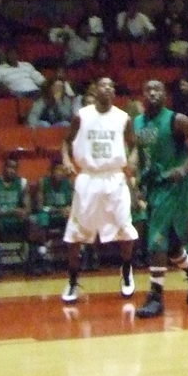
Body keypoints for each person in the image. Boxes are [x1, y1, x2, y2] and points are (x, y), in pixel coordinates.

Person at [59, 76, 139, 304]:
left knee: (124, 227)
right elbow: (66, 142)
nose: (107, 88)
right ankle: (73, 280)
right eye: (102, 85)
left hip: (114, 177)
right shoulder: (82, 116)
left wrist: (132, 160)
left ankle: (126, 271)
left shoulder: (123, 118)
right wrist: (66, 160)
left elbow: (134, 146)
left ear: (114, 92)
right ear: (95, 90)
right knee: (75, 233)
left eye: (111, 85)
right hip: (88, 177)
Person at [132, 79, 188, 319]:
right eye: (148, 89)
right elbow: (144, 156)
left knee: (156, 240)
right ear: (142, 94)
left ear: (165, 95)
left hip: (173, 186)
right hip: (154, 186)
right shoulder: (138, 123)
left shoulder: (177, 120)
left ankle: (156, 297)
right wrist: (140, 184)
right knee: (172, 244)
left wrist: (184, 168)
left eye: (158, 89)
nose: (153, 92)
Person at [0, 157, 34, 275]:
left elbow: (28, 208)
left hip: (17, 220)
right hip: (1, 220)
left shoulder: (22, 183)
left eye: (14, 168)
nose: (12, 171)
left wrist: (23, 212)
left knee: (32, 220)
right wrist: (11, 211)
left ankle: (33, 259)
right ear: (4, 168)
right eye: (9, 167)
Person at [31, 161, 73, 273]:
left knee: (72, 218)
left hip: (62, 216)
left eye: (62, 170)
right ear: (51, 171)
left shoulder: (68, 183)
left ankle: (73, 256)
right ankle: (43, 255)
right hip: (48, 214)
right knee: (41, 217)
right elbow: (40, 206)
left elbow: (73, 205)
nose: (60, 173)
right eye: (57, 170)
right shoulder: (43, 182)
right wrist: (58, 210)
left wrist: (69, 210)